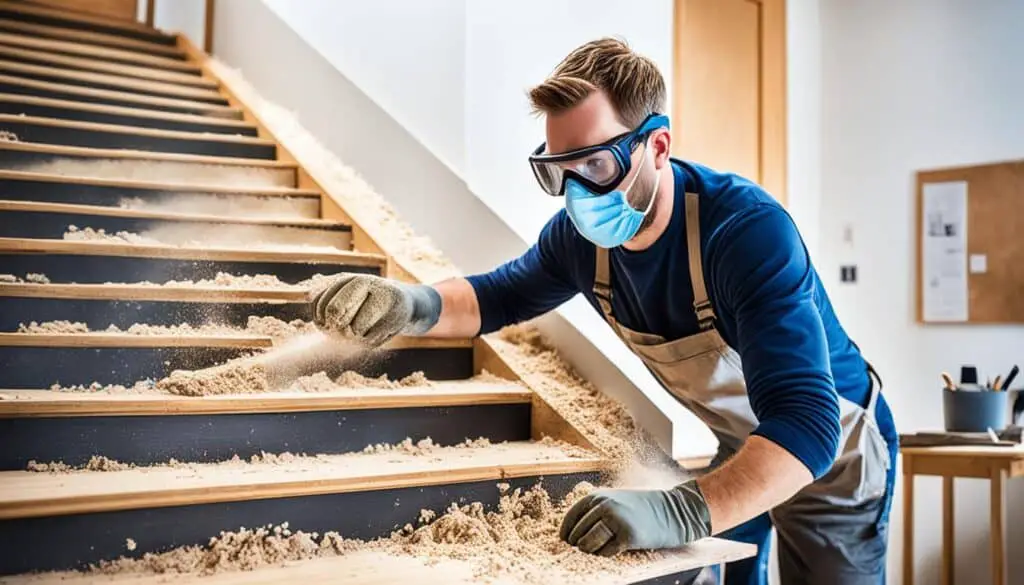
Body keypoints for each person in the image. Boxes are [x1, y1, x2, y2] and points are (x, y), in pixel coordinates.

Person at [312, 38, 898, 585]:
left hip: (835, 453)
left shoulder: (745, 232)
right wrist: (413, 304)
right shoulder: (578, 242)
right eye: (558, 171)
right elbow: (495, 297)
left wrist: (678, 510)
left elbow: (809, 424)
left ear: (657, 147)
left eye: (594, 165)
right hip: (742, 442)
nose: (576, 194)